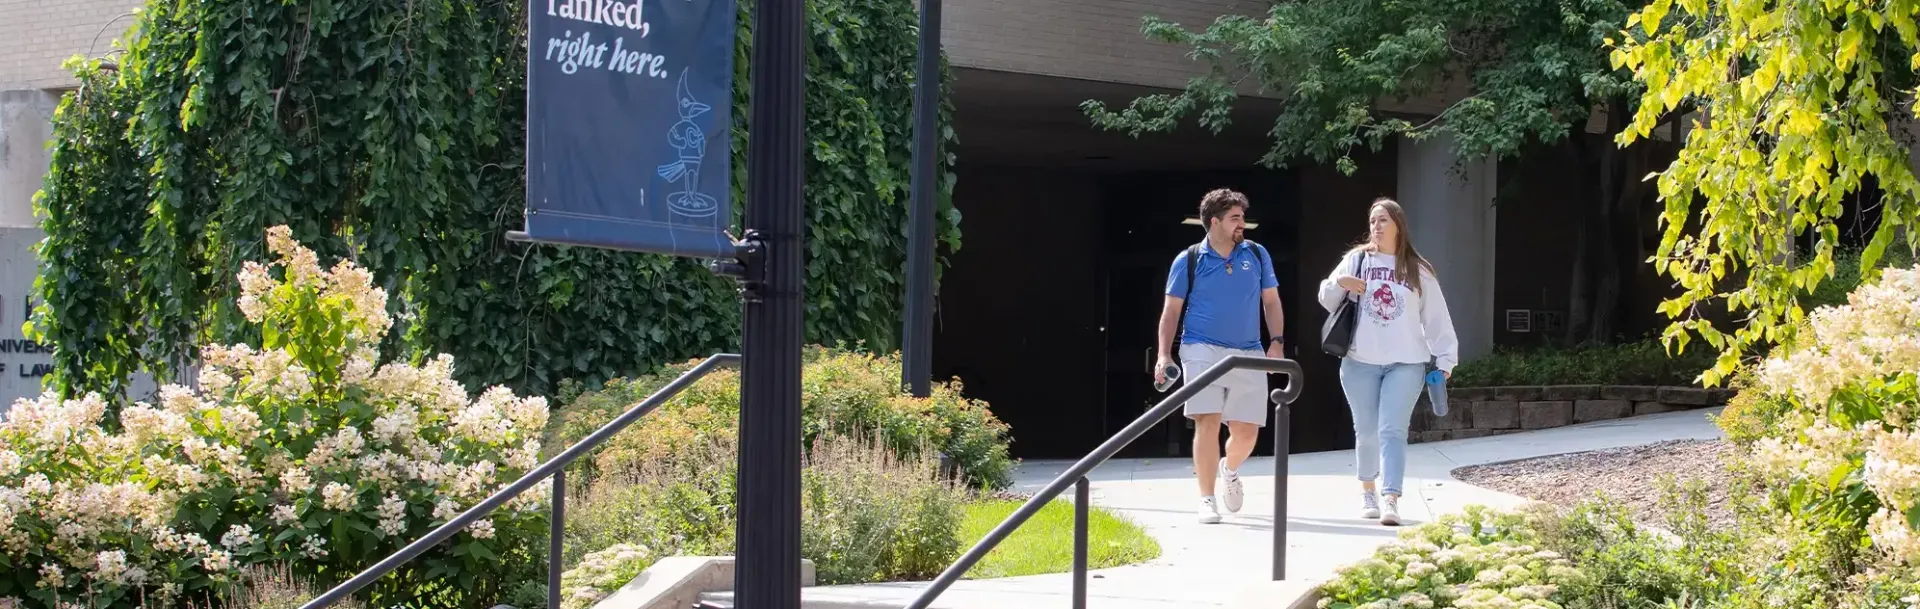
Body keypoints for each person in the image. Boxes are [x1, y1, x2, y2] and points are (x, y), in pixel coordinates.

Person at [1316, 197, 1458, 526]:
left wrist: (1446, 360)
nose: (1376, 226)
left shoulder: (1417, 269)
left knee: (1392, 430)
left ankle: (1391, 497)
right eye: (1372, 221)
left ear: (1398, 225)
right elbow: (1326, 297)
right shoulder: (1356, 260)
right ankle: (1368, 490)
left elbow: (1436, 318)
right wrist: (1340, 283)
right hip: (1359, 361)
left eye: (1382, 220)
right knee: (1366, 432)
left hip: (1406, 363)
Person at [1154, 188, 1286, 524]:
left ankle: (1229, 468)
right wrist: (1163, 356)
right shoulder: (1189, 259)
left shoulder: (1256, 255)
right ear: (1215, 221)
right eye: (1235, 218)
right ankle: (1207, 497)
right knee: (1207, 419)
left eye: (1242, 216)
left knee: (1246, 432)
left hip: (1248, 350)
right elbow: (1171, 311)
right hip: (1201, 347)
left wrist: (1277, 341)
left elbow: (1271, 301)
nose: (1242, 223)